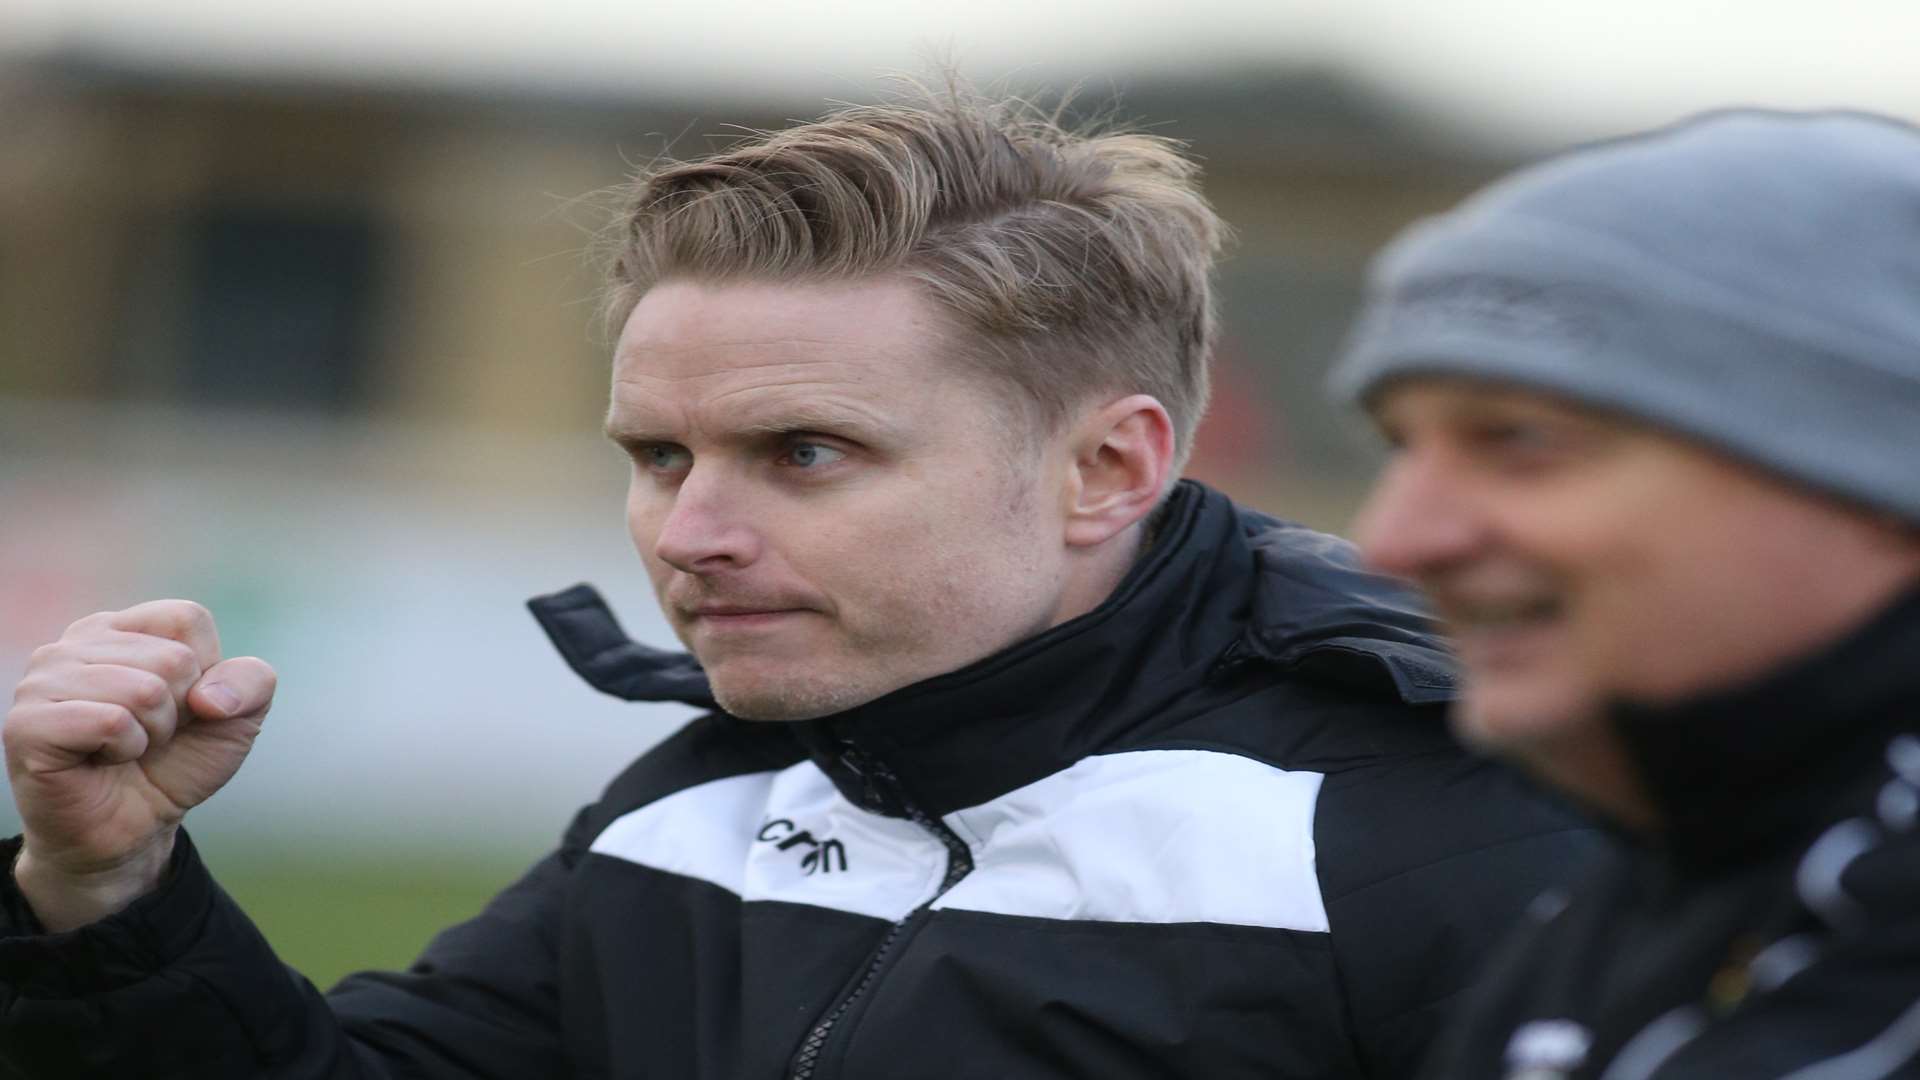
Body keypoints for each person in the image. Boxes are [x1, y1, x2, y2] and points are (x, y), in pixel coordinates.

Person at [1, 82, 1593, 1079]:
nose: (690, 533)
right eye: (657, 456)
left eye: (805, 452)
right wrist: (107, 896)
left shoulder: (1445, 821)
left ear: (1109, 468)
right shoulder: (705, 802)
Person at [1331, 110, 1920, 1079]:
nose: (1396, 540)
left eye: (1518, 440)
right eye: (1403, 446)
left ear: (1882, 477)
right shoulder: (1648, 883)